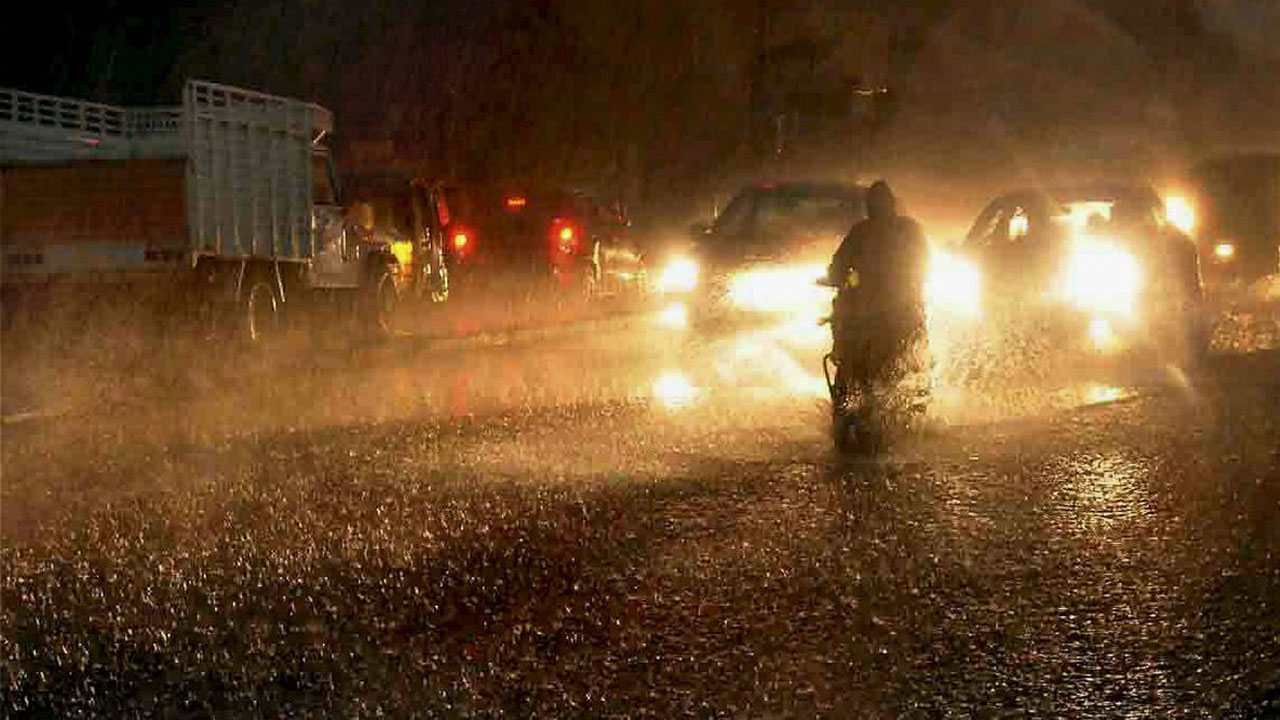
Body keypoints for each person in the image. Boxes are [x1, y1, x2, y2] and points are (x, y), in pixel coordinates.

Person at [826, 180, 930, 404]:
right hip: (897, 308)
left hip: (882, 309)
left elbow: (838, 267)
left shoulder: (862, 232)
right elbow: (924, 263)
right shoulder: (908, 229)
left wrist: (835, 278)